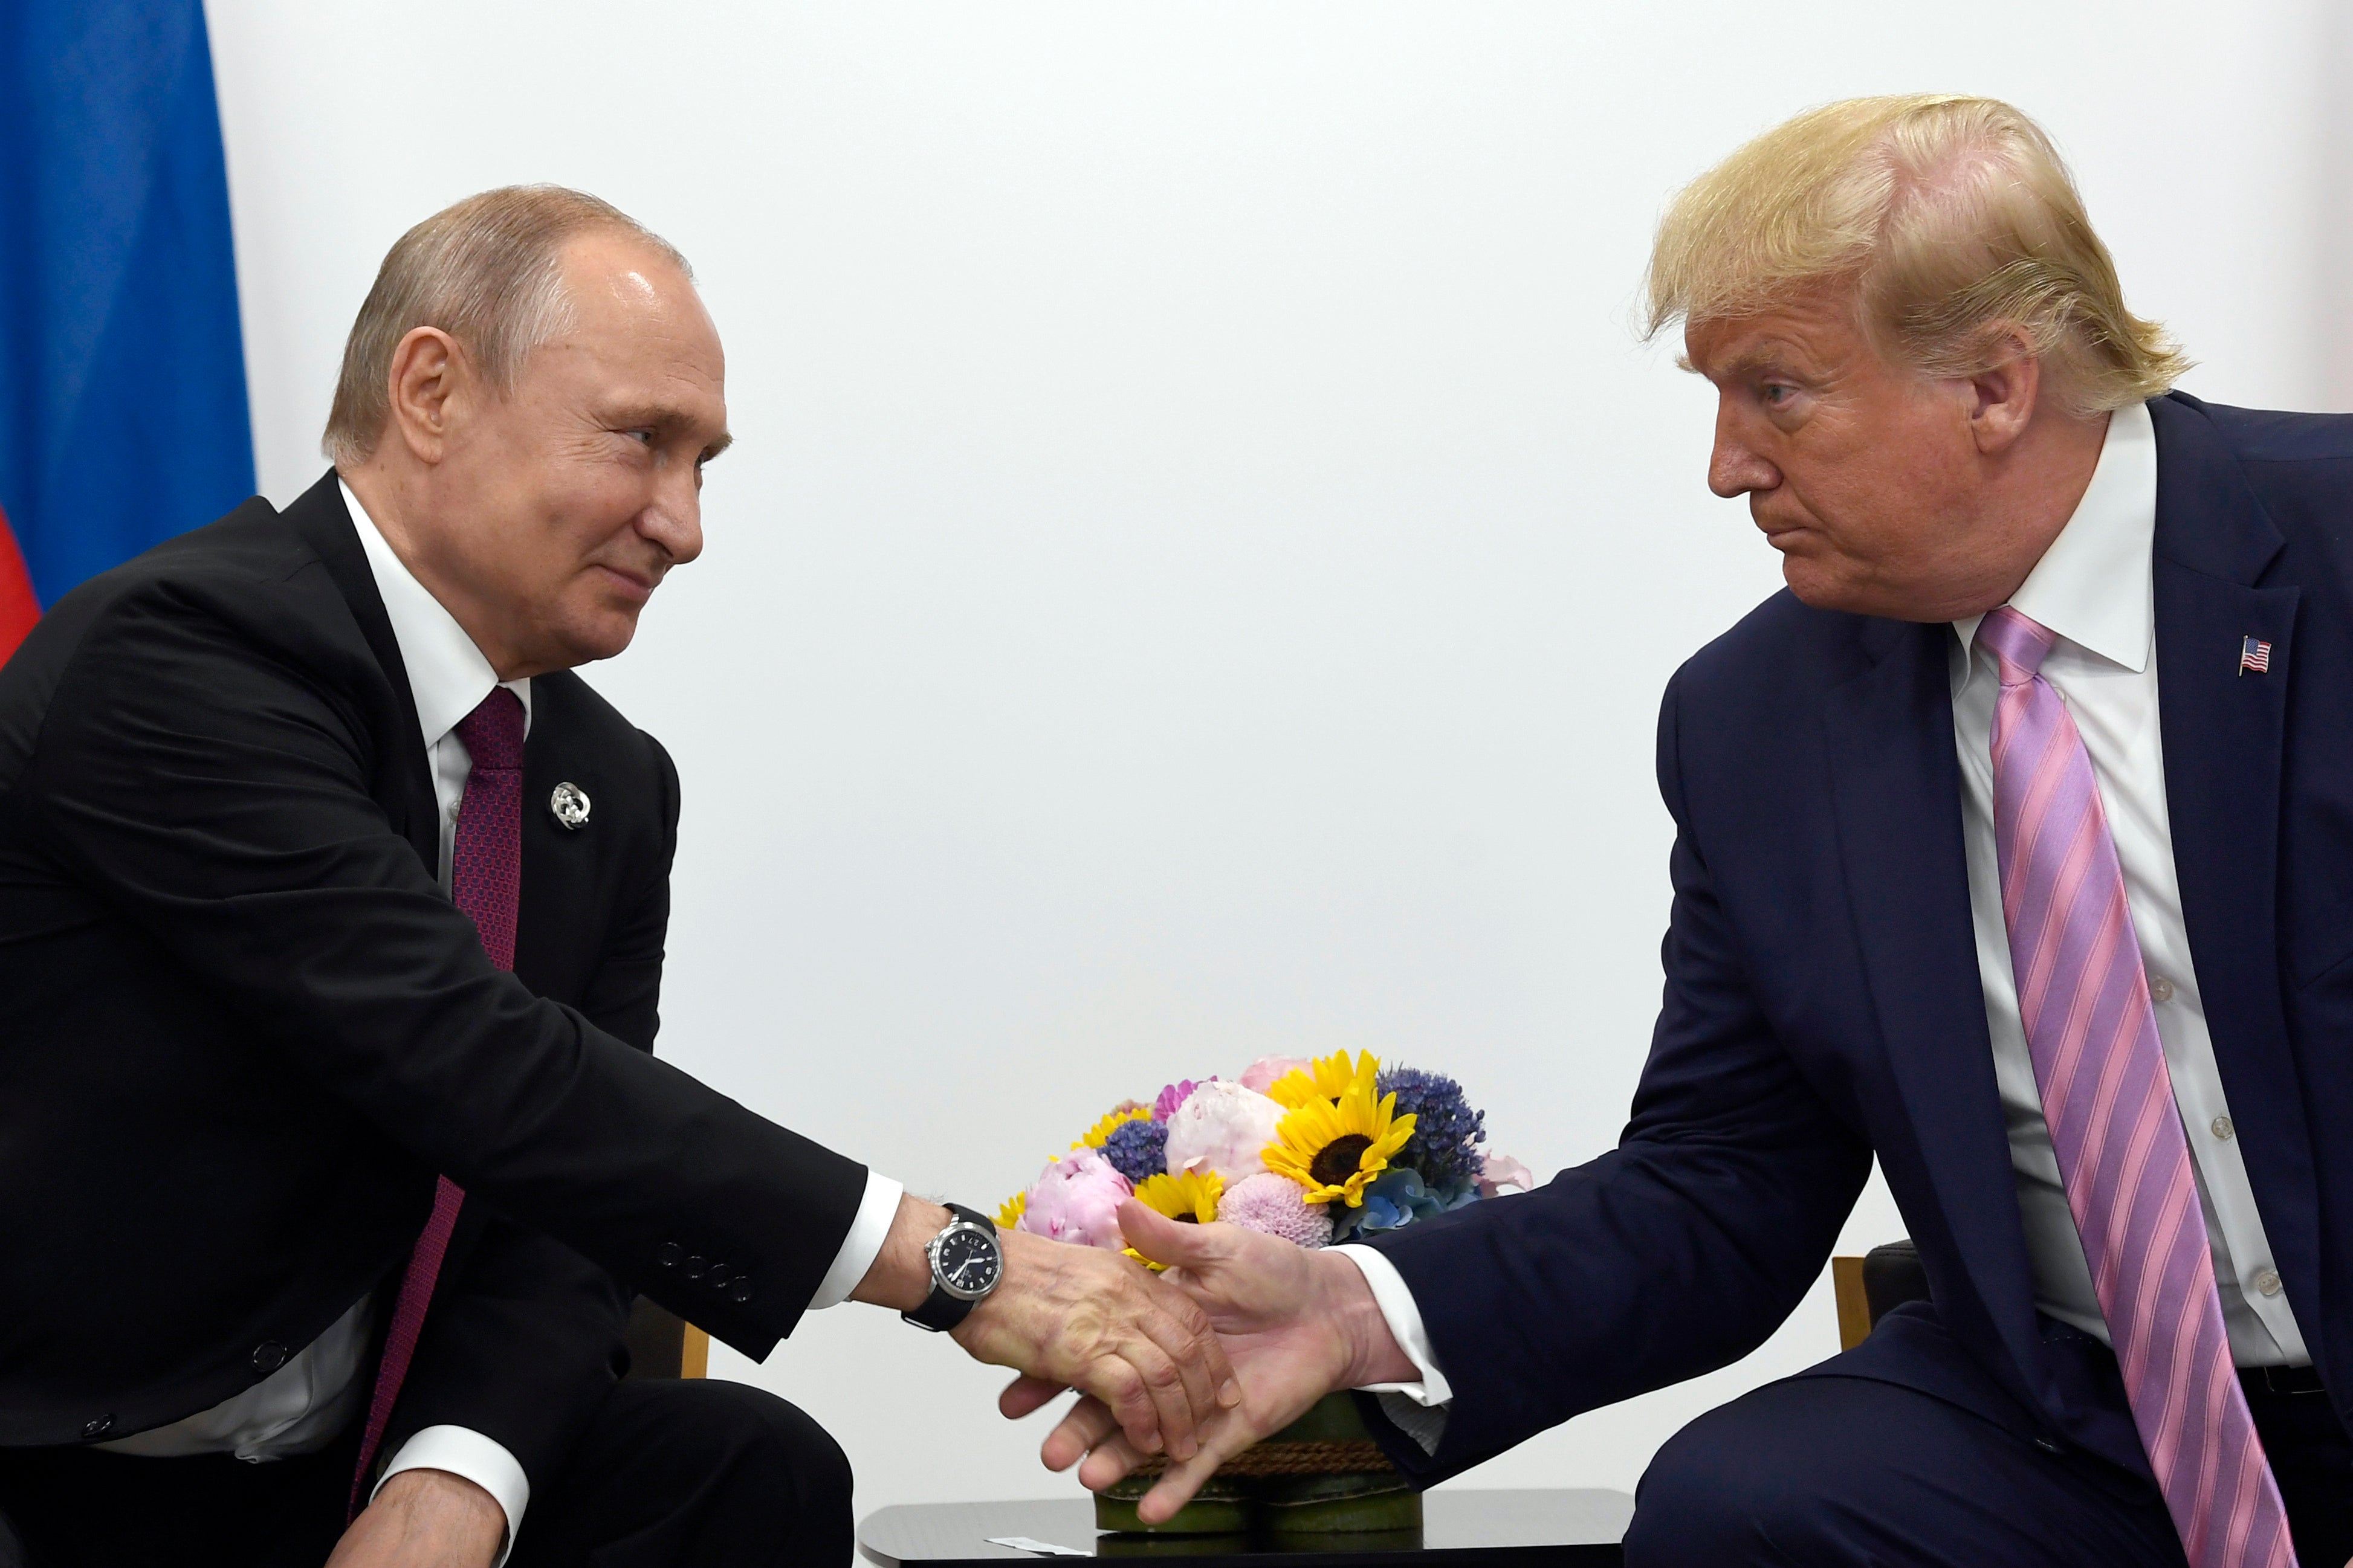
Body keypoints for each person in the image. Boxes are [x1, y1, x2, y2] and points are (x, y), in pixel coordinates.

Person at [1039, 96, 2353, 1568]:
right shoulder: (1758, 716)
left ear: (1994, 384)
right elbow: (1723, 1176)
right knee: (1745, 1506)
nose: (1727, 467)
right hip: (2081, 1421)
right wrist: (1357, 1305)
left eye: (1776, 393)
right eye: (1717, 398)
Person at [0, 186, 1234, 1568]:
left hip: (342, 1470)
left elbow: (563, 1200)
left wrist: (455, 1478)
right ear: (431, 391)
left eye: (705, 462)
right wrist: (958, 1266)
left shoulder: (608, 781)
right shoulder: (181, 656)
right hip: (52, 1471)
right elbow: (476, 1059)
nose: (685, 522)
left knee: (746, 1469)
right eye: (644, 442)